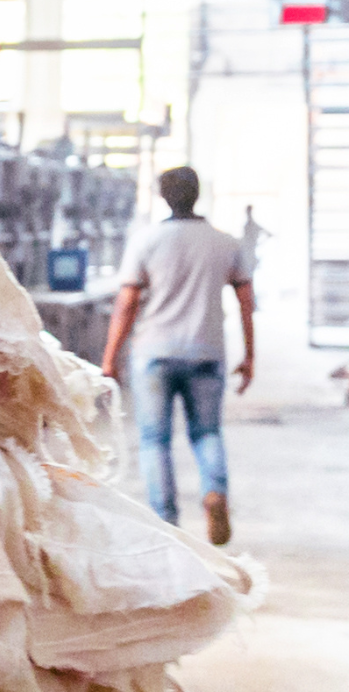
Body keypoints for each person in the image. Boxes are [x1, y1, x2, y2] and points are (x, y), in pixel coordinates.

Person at [97, 164, 256, 543]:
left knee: (155, 440)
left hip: (154, 351)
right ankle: (214, 492)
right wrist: (249, 355)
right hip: (207, 349)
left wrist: (110, 358)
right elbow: (247, 302)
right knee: (206, 433)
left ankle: (166, 523)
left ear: (163, 197)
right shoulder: (225, 242)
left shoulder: (146, 241)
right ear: (197, 193)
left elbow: (127, 304)